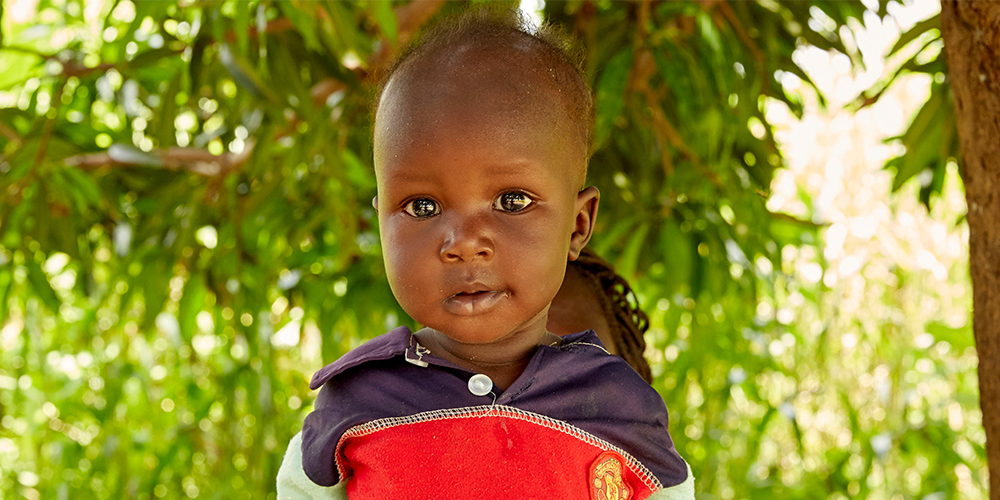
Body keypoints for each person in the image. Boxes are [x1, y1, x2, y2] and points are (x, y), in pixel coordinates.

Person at [280, 9, 692, 499]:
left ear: (578, 225)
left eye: (511, 201)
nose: (463, 242)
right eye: (422, 206)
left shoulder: (621, 409)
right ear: (380, 223)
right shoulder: (354, 405)